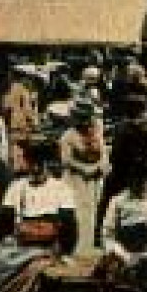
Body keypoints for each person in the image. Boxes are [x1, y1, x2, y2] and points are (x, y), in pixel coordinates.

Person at [1, 136, 79, 257]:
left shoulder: (62, 188)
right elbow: (5, 222)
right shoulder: (16, 187)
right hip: (21, 246)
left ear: (47, 164)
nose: (36, 168)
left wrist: (65, 252)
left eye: (40, 163)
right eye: (32, 163)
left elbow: (69, 226)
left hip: (51, 247)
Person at [60, 99, 110, 252]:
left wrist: (101, 167)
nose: (85, 122)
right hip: (75, 178)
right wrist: (83, 169)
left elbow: (103, 152)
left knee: (94, 210)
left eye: (86, 118)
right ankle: (77, 247)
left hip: (95, 176)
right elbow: (66, 160)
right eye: (80, 118)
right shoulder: (68, 136)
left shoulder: (97, 131)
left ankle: (91, 246)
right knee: (78, 211)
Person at [99, 165, 147, 266]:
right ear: (129, 181)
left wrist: (145, 256)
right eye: (134, 180)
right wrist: (125, 256)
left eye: (142, 180)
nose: (138, 184)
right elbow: (107, 235)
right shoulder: (117, 200)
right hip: (122, 254)